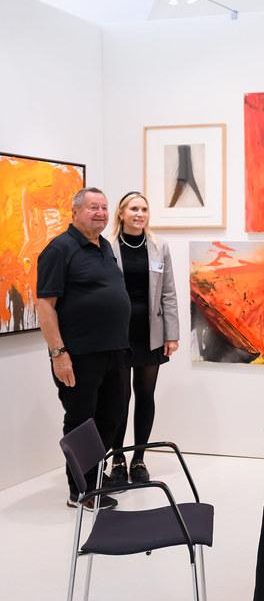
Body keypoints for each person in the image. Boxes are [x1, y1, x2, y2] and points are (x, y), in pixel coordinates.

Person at [36, 187, 131, 508]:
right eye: (93, 207)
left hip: (114, 351)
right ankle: (81, 490)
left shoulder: (104, 246)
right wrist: (58, 353)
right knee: (81, 421)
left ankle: (94, 476)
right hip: (78, 355)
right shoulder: (59, 249)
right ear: (75, 212)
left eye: (104, 207)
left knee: (112, 415)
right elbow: (45, 306)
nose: (100, 213)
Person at [109, 191, 179, 484]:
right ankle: (118, 459)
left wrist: (172, 335)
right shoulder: (107, 247)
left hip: (151, 332)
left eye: (144, 209)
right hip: (118, 334)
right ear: (121, 213)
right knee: (119, 398)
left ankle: (139, 459)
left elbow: (169, 292)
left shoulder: (159, 246)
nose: (140, 214)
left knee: (145, 395)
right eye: (134, 209)